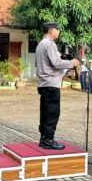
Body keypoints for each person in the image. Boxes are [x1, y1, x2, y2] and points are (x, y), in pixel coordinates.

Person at [35, 22, 79, 150]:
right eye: (57, 30)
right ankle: (48, 140)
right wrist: (71, 63)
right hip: (51, 83)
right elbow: (56, 62)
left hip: (44, 83)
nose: (59, 32)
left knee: (45, 111)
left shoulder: (40, 44)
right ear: (51, 30)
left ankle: (44, 138)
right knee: (53, 112)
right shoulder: (49, 44)